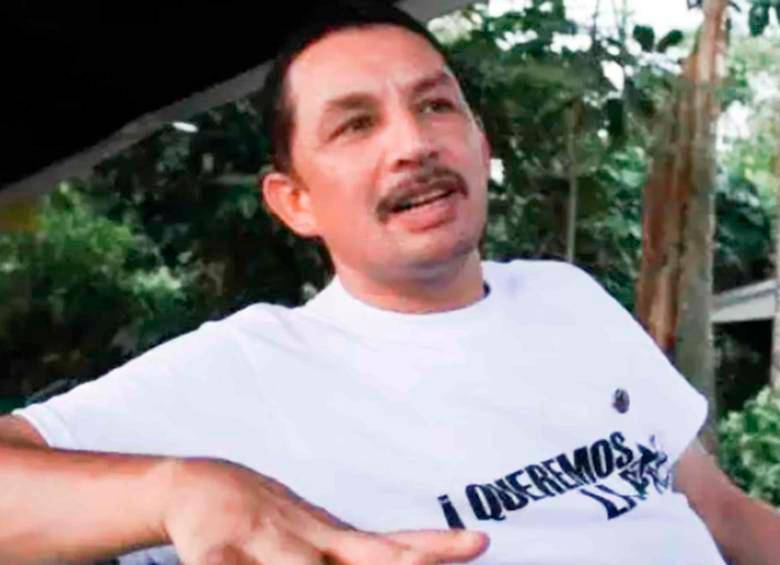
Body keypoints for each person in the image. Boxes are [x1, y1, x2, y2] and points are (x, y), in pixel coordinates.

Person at [1, 1, 779, 563]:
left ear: (480, 144)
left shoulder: (566, 296)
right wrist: (176, 491)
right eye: (355, 124)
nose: (413, 144)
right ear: (295, 202)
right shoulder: (248, 368)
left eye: (435, 105)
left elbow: (719, 510)